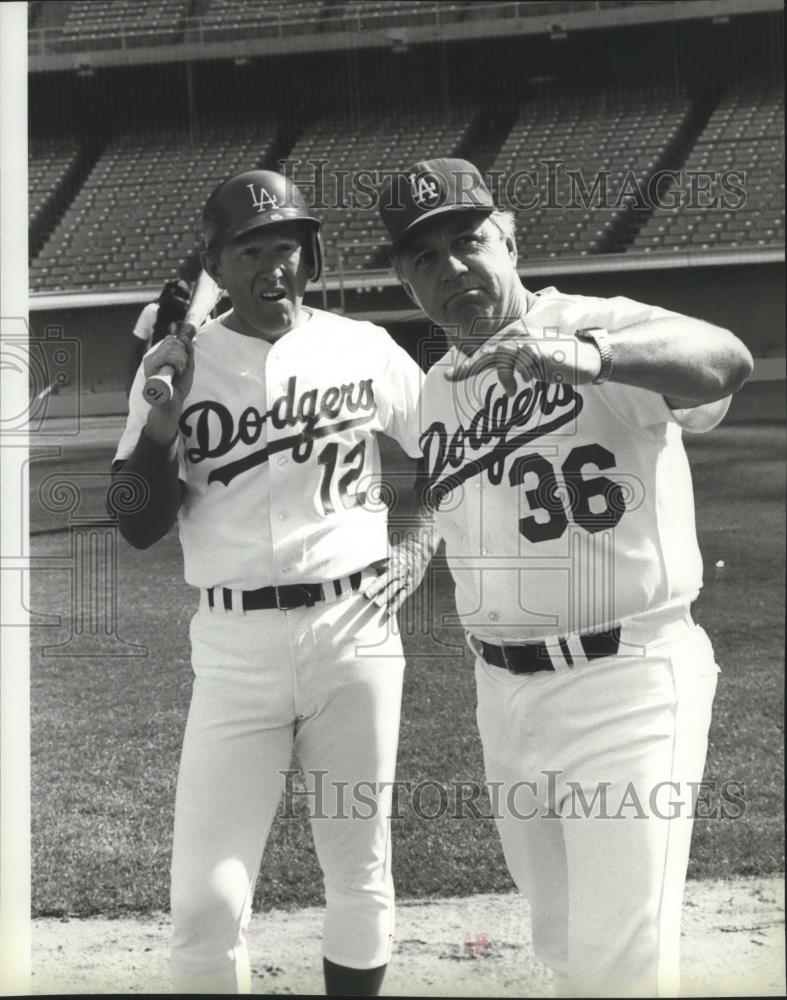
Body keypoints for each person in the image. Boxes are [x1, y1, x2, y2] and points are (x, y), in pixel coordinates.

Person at [378, 158, 754, 998]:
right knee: (559, 944)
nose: (452, 268)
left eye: (467, 241)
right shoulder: (440, 388)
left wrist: (594, 356)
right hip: (502, 696)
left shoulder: (591, 323)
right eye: (424, 258)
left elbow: (725, 360)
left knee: (619, 964)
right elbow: (449, 496)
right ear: (404, 280)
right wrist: (410, 544)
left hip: (628, 681)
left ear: (508, 238)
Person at [111, 169, 431, 995]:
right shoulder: (179, 363)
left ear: (309, 254)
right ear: (219, 264)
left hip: (355, 628)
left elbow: (452, 449)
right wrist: (159, 421)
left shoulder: (361, 347)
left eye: (286, 245)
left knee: (358, 869)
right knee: (204, 903)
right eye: (252, 249)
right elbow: (138, 523)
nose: (274, 265)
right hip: (233, 646)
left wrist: (421, 545)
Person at [127, 277, 192, 394]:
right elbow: (136, 349)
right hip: (154, 368)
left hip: (184, 370)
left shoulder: (193, 315)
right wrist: (133, 383)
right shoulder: (152, 310)